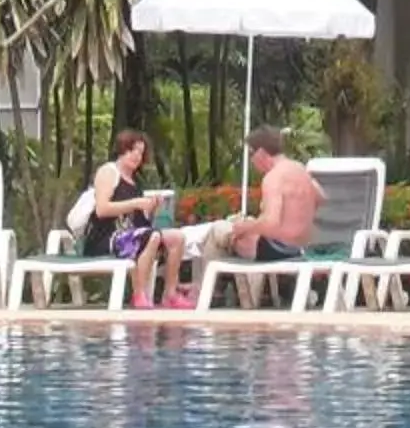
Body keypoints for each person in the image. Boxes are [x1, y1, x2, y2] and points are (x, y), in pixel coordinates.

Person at [167, 128, 323, 300]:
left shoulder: (273, 178)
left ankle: (205, 294)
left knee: (217, 231)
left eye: (251, 154)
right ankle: (210, 292)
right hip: (298, 245)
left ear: (262, 153)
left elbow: (270, 223)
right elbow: (320, 197)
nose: (250, 160)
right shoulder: (299, 169)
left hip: (276, 248)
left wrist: (245, 227)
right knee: (227, 232)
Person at [79, 129, 168, 304]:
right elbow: (102, 210)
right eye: (132, 150)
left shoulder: (136, 182)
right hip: (104, 238)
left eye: (140, 153)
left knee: (175, 238)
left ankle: (170, 294)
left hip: (128, 235)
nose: (136, 156)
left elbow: (139, 223)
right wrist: (135, 203)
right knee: (153, 236)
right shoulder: (109, 172)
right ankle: (139, 294)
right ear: (121, 149)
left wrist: (150, 209)